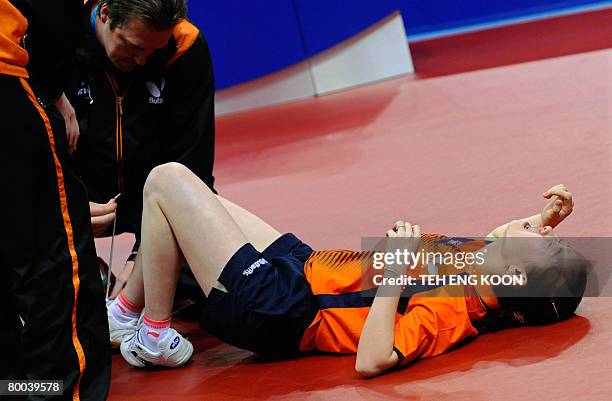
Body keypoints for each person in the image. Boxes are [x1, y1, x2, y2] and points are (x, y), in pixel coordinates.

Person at [108, 163, 588, 375]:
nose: (546, 232)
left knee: (166, 181)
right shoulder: (481, 263)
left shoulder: (452, 314)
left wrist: (396, 271)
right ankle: (127, 311)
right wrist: (542, 219)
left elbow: (373, 359)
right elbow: (504, 236)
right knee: (188, 201)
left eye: (549, 243)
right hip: (306, 265)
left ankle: (149, 332)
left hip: (284, 308)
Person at [63, 0, 217, 297]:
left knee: (208, 287)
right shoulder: (60, 34)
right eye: (134, 46)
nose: (143, 60)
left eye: (153, 51)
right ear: (105, 14)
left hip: (152, 201)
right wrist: (65, 210)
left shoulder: (186, 47)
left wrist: (141, 260)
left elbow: (191, 166)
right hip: (77, 198)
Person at [0, 0, 111, 399]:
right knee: (53, 261)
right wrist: (52, 89)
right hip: (5, 80)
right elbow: (53, 17)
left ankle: (11, 388)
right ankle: (60, 392)